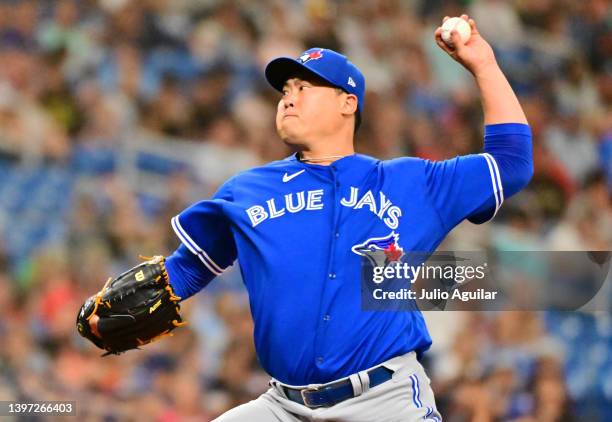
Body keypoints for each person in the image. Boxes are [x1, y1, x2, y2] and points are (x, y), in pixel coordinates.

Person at [98, 15, 533, 421]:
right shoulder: (246, 191)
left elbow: (512, 163)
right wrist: (120, 310)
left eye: (305, 86)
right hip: (282, 405)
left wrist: (484, 63)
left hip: (383, 401)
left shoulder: (410, 183)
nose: (289, 97)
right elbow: (188, 269)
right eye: (285, 89)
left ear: (348, 103)